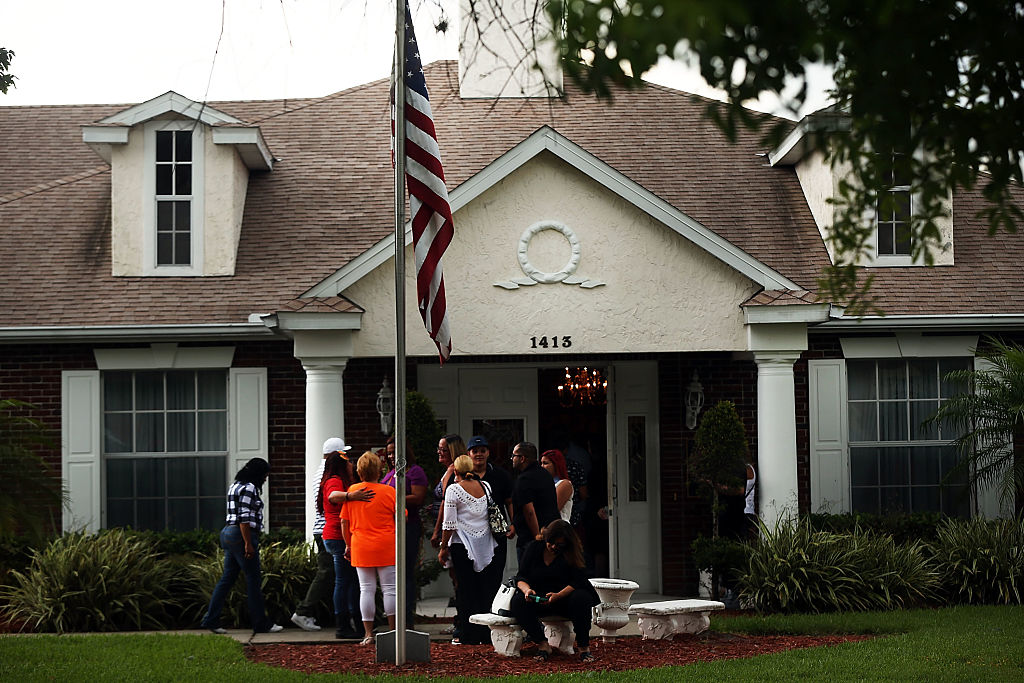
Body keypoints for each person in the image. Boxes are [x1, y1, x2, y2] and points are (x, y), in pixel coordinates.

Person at [201, 457, 283, 634]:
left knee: (227, 579)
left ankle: (211, 619)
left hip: (228, 533)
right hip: (241, 535)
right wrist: (248, 544)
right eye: (265, 475)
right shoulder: (249, 488)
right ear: (258, 473)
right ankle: (261, 623)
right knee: (253, 580)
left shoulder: (235, 485)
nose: (266, 478)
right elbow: (244, 518)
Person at [509, 520, 599, 662]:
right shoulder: (534, 548)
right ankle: (543, 644)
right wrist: (527, 590)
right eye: (550, 542)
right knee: (518, 602)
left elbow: (579, 580)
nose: (552, 546)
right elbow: (521, 576)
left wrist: (558, 595)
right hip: (539, 598)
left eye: (559, 545)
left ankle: (583, 647)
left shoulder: (573, 554)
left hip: (564, 599)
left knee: (582, 598)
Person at [438, 454, 498, 645]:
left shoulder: (453, 490)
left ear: (456, 471)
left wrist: (443, 547)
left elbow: (448, 523)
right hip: (485, 544)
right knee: (484, 589)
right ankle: (485, 633)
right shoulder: (486, 486)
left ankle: (468, 633)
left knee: (465, 590)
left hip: (461, 545)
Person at [319, 437, 375, 639]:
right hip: (338, 536)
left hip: (339, 535)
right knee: (344, 581)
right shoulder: (334, 480)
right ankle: (343, 626)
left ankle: (356, 625)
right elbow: (333, 496)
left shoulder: (338, 479)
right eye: (348, 460)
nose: (351, 463)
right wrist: (352, 496)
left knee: (350, 581)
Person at [341, 451, 399, 645]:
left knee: (366, 590)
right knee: (389, 590)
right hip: (386, 544)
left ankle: (368, 634)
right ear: (379, 469)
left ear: (359, 470)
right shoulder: (389, 491)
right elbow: (402, 516)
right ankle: (393, 632)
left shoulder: (353, 491)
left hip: (361, 544)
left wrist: (348, 544)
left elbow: (343, 522)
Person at [380, 435, 429, 625]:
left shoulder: (415, 472)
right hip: (390, 529)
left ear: (405, 452)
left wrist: (392, 497)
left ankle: (406, 620)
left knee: (405, 572)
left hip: (409, 528)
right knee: (393, 574)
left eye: (395, 453)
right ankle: (395, 617)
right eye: (389, 453)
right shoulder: (390, 473)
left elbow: (418, 497)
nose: (392, 457)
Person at [290, 441, 335, 632]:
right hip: (327, 530)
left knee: (331, 573)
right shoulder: (329, 474)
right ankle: (303, 612)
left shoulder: (321, 471)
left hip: (321, 529)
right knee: (326, 572)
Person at [466, 435, 514, 597]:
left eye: (482, 450)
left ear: (488, 453)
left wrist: (513, 524)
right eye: (475, 451)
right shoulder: (462, 476)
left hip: (496, 532)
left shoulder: (500, 475)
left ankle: (491, 609)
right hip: (471, 534)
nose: (479, 454)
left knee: (495, 572)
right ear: (469, 454)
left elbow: (509, 502)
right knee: (473, 575)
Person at [510, 441, 559, 564]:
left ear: (522, 459)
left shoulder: (524, 479)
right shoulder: (545, 475)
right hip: (551, 535)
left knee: (528, 578)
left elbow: (529, 511)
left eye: (513, 456)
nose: (511, 459)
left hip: (531, 539)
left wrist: (537, 538)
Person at [540, 449, 574, 523]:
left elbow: (551, 511)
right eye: (541, 463)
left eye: (545, 463)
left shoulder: (565, 484)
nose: (541, 467)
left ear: (556, 465)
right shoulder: (544, 483)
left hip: (558, 529)